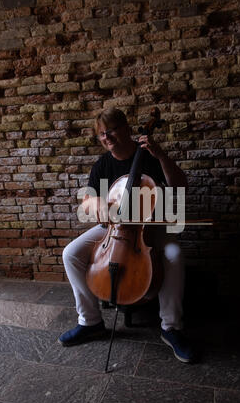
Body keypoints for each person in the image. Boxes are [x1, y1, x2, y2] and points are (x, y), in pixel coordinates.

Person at [58, 107, 195, 363]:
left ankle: (171, 327)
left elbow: (180, 187)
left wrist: (161, 155)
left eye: (111, 130)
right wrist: (96, 202)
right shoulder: (103, 164)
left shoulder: (150, 156)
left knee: (174, 254)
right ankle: (90, 322)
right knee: (70, 254)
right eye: (101, 134)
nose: (106, 137)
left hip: (152, 226)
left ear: (127, 129)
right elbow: (86, 201)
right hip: (113, 228)